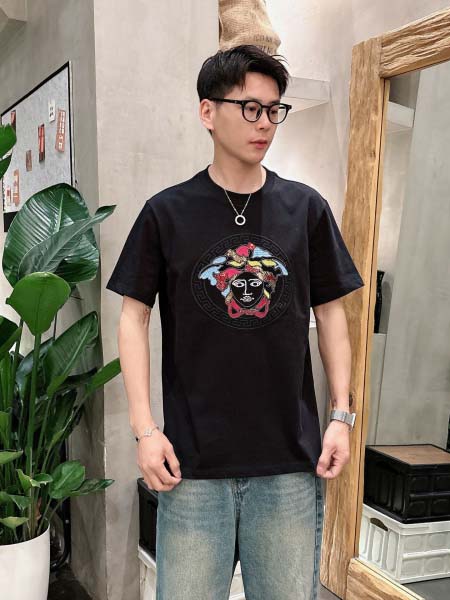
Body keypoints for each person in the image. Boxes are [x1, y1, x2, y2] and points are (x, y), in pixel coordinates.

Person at [106, 44, 364, 600]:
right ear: (208, 111)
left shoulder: (306, 209)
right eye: (250, 108)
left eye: (274, 110)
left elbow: (331, 313)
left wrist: (341, 415)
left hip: (289, 464)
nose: (265, 123)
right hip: (192, 466)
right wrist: (145, 430)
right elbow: (132, 317)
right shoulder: (167, 212)